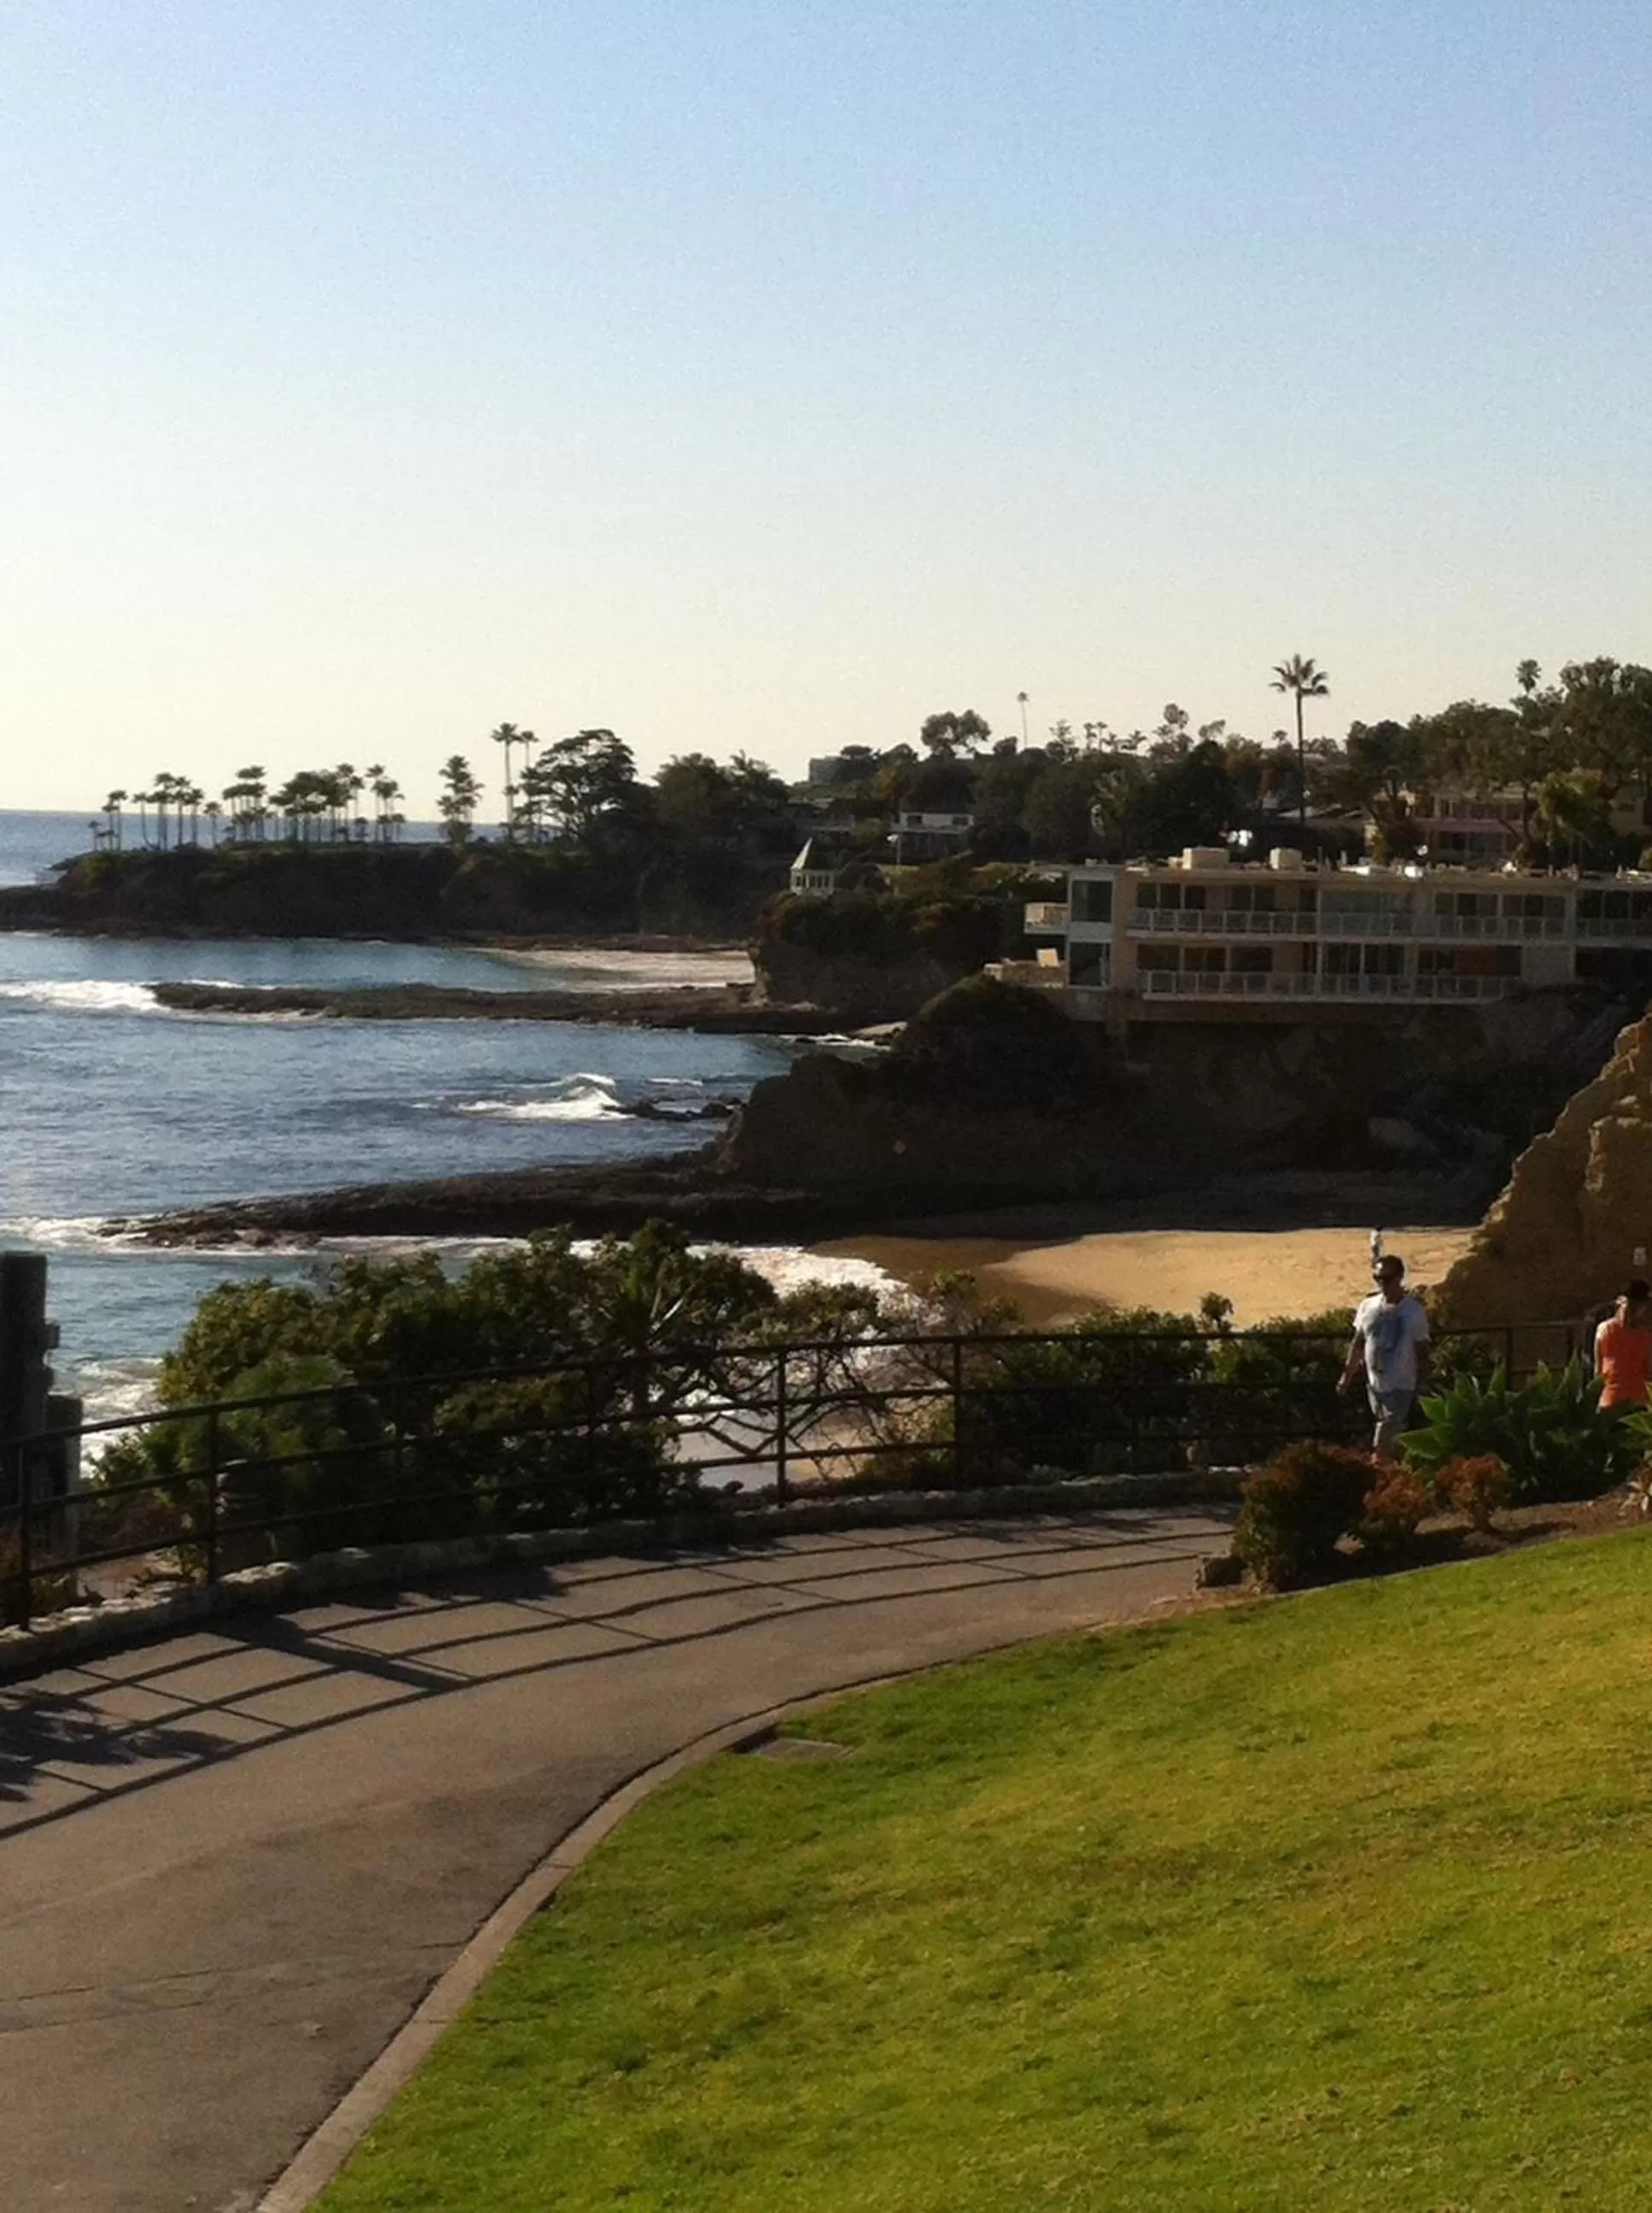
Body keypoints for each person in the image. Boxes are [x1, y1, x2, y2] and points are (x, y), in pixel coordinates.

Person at [1339, 1252, 1432, 1460]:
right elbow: (1358, 1343)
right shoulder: (1368, 1306)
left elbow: (1422, 1350)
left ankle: (1376, 1468)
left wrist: (1423, 1382)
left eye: (1386, 1279)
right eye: (1378, 1279)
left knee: (1386, 1431)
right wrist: (1347, 1376)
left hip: (1402, 1383)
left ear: (1399, 1278)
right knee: (1395, 1435)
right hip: (1375, 1384)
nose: (1382, 1284)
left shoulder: (1413, 1312)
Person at [1592, 1279, 1652, 1411]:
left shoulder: (1603, 1330)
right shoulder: (1646, 1336)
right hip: (1635, 1402)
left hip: (1611, 1401)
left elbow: (1598, 1371)